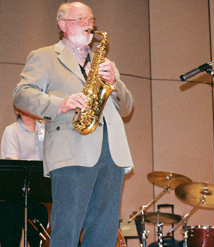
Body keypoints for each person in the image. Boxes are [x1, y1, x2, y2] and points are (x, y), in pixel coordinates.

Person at [13, 2, 134, 246]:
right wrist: (61, 103)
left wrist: (115, 84)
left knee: (104, 231)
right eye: (80, 19)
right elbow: (22, 95)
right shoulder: (45, 56)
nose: (88, 24)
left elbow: (128, 107)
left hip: (112, 153)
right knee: (66, 228)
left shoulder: (106, 64)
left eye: (90, 19)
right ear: (62, 24)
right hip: (71, 151)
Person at [0, 108, 48, 247]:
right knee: (10, 227)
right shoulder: (12, 131)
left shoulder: (45, 129)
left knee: (42, 218)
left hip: (38, 196)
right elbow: (13, 164)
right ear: (18, 109)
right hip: (13, 197)